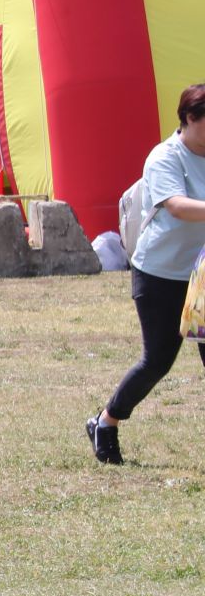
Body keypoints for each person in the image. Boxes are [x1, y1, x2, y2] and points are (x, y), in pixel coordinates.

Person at [88, 83, 205, 464]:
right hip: (161, 275)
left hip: (202, 274)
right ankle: (106, 422)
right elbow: (176, 206)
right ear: (190, 119)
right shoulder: (164, 157)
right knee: (157, 360)